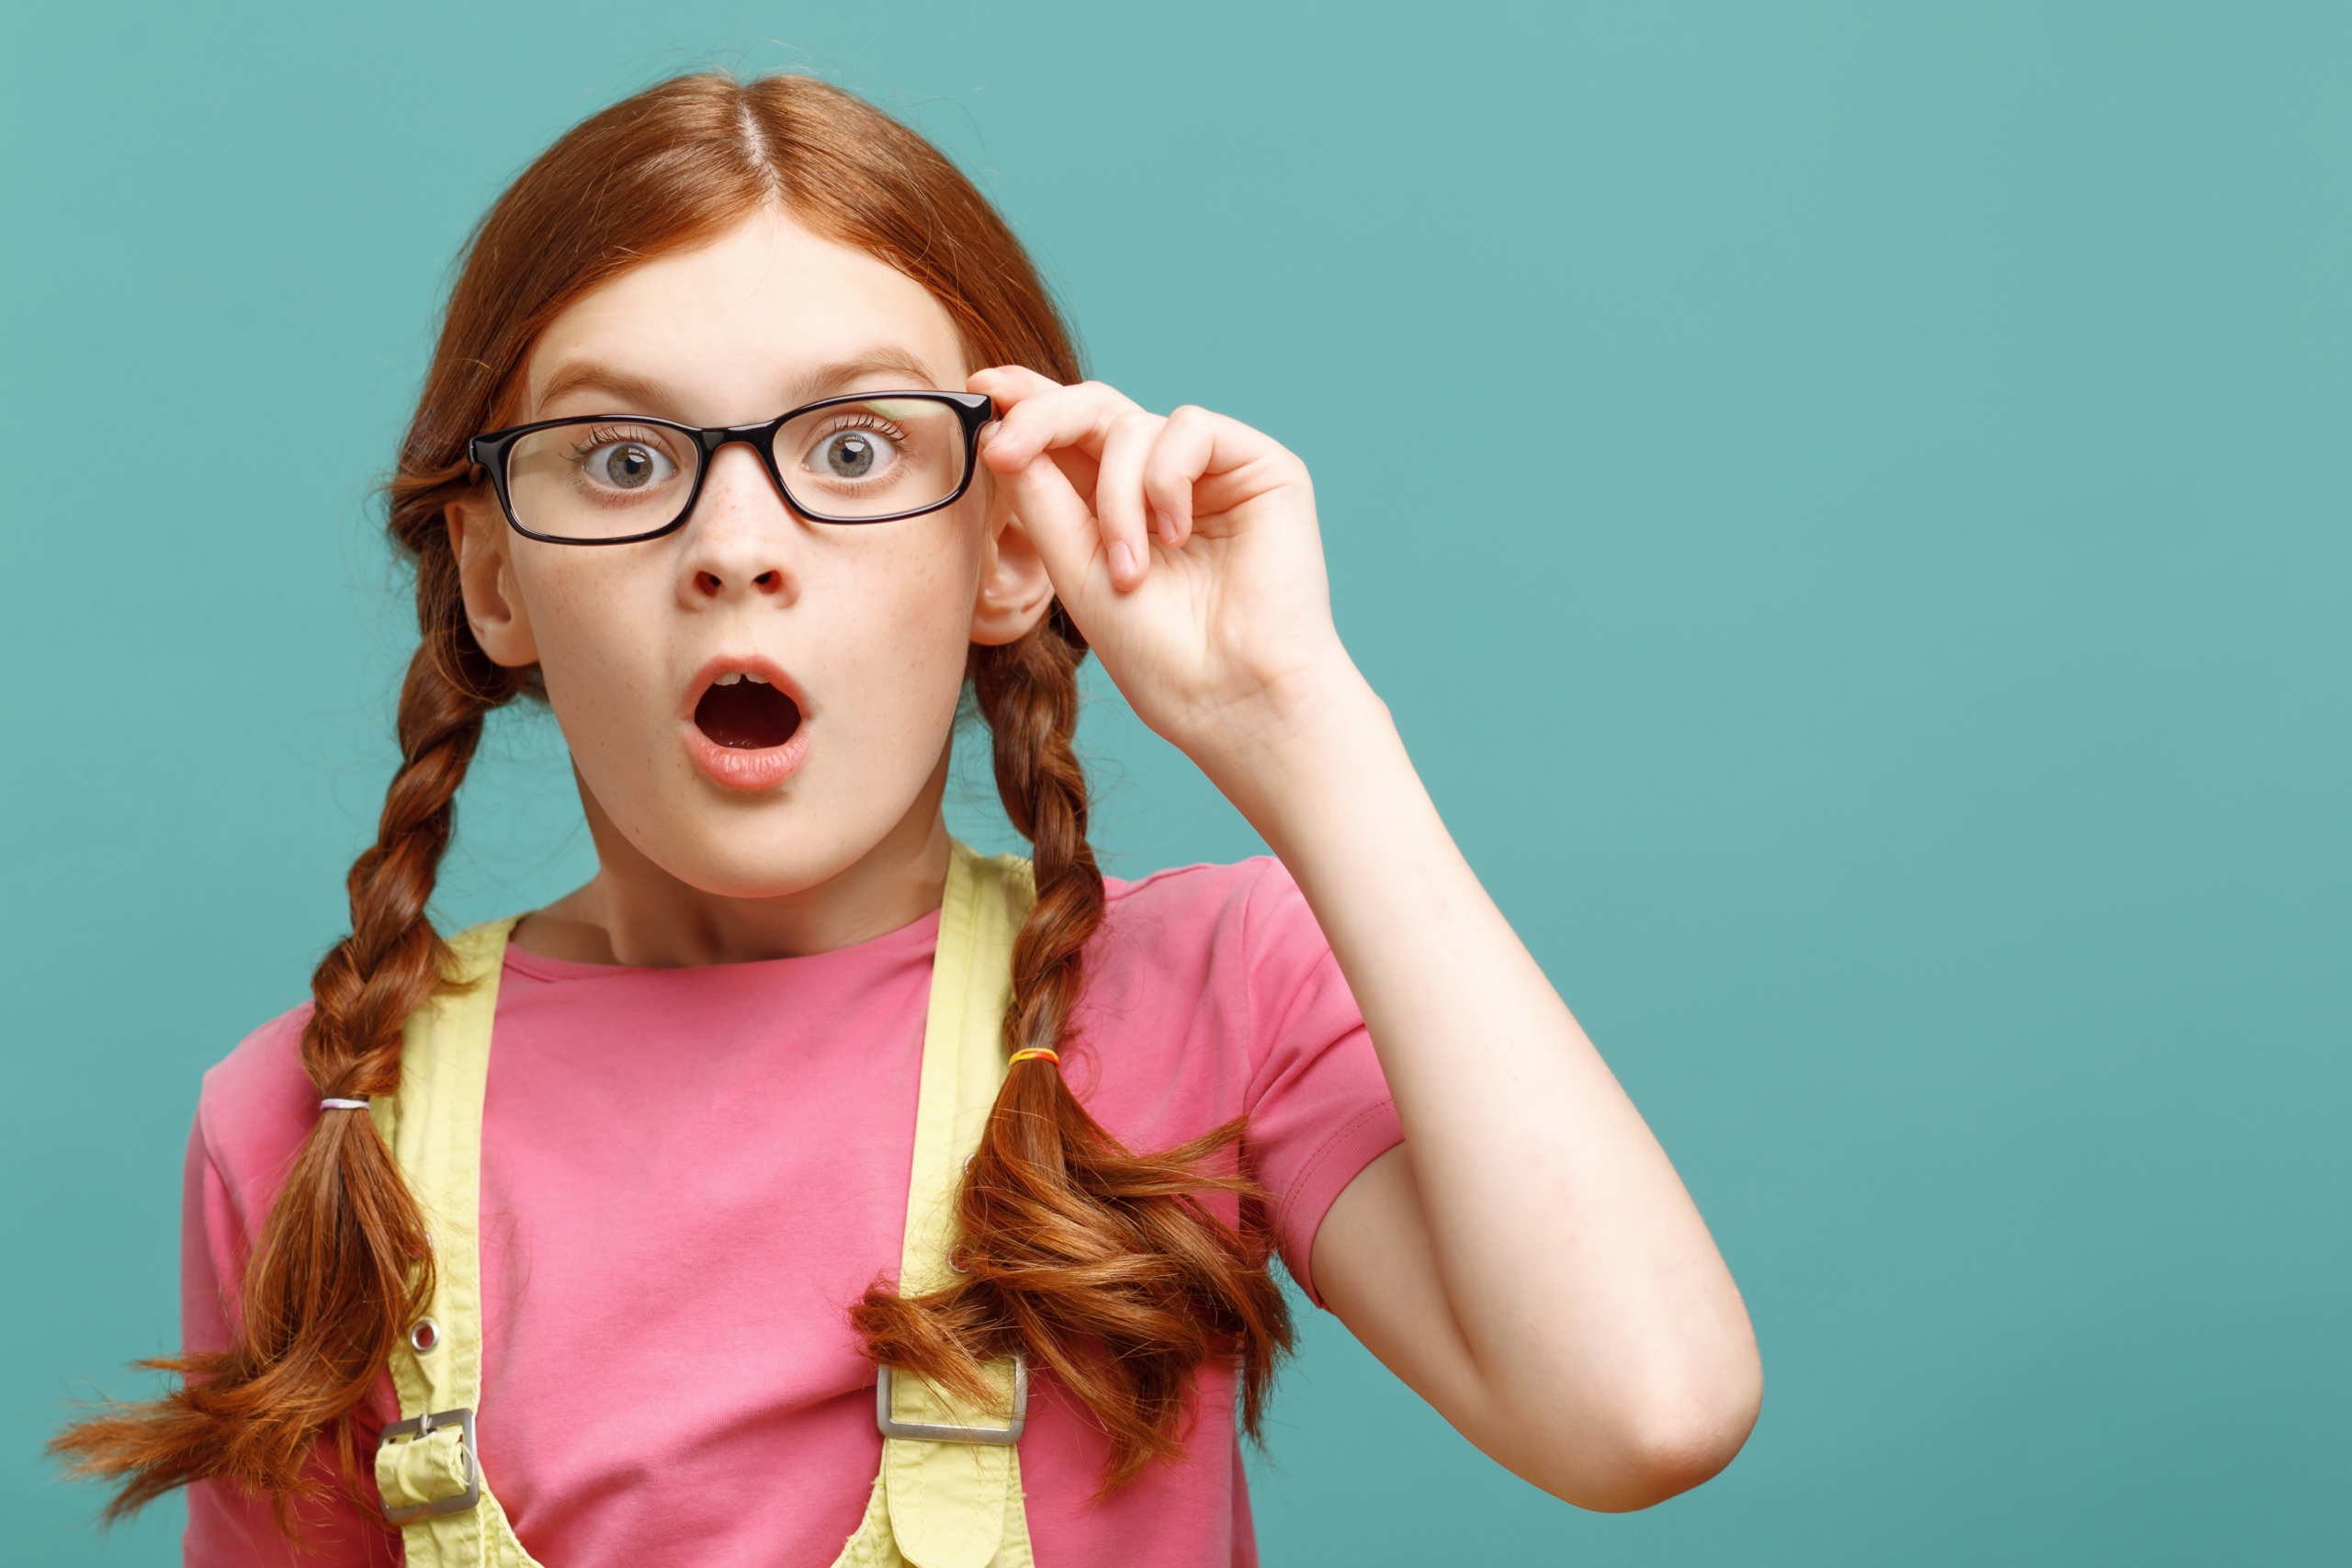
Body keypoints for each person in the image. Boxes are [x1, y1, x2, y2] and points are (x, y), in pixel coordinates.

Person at [55, 73, 1762, 1568]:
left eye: (856, 447)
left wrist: (1296, 720)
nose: (737, 542)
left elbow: (1645, 1410)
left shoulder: (1202, 1001)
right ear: (496, 574)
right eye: (626, 460)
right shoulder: (309, 1118)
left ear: (1011, 546)